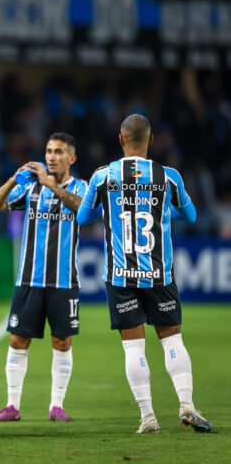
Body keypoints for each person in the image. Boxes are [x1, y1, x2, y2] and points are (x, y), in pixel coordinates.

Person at [77, 114, 213, 434]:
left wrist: (108, 206)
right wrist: (165, 205)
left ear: (121, 140)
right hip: (159, 275)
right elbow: (190, 215)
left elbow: (84, 217)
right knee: (172, 339)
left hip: (120, 276)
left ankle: (148, 416)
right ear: (151, 140)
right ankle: (187, 405)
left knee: (134, 348)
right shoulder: (169, 177)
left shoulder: (102, 176)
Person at [0, 133, 93, 423]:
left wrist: (50, 184)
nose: (51, 156)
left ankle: (56, 406)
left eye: (58, 152)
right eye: (48, 151)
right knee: (18, 340)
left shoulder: (83, 187)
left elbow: (85, 211)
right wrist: (12, 180)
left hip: (64, 281)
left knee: (62, 342)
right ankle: (12, 406)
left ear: (72, 158)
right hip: (29, 280)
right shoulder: (31, 189)